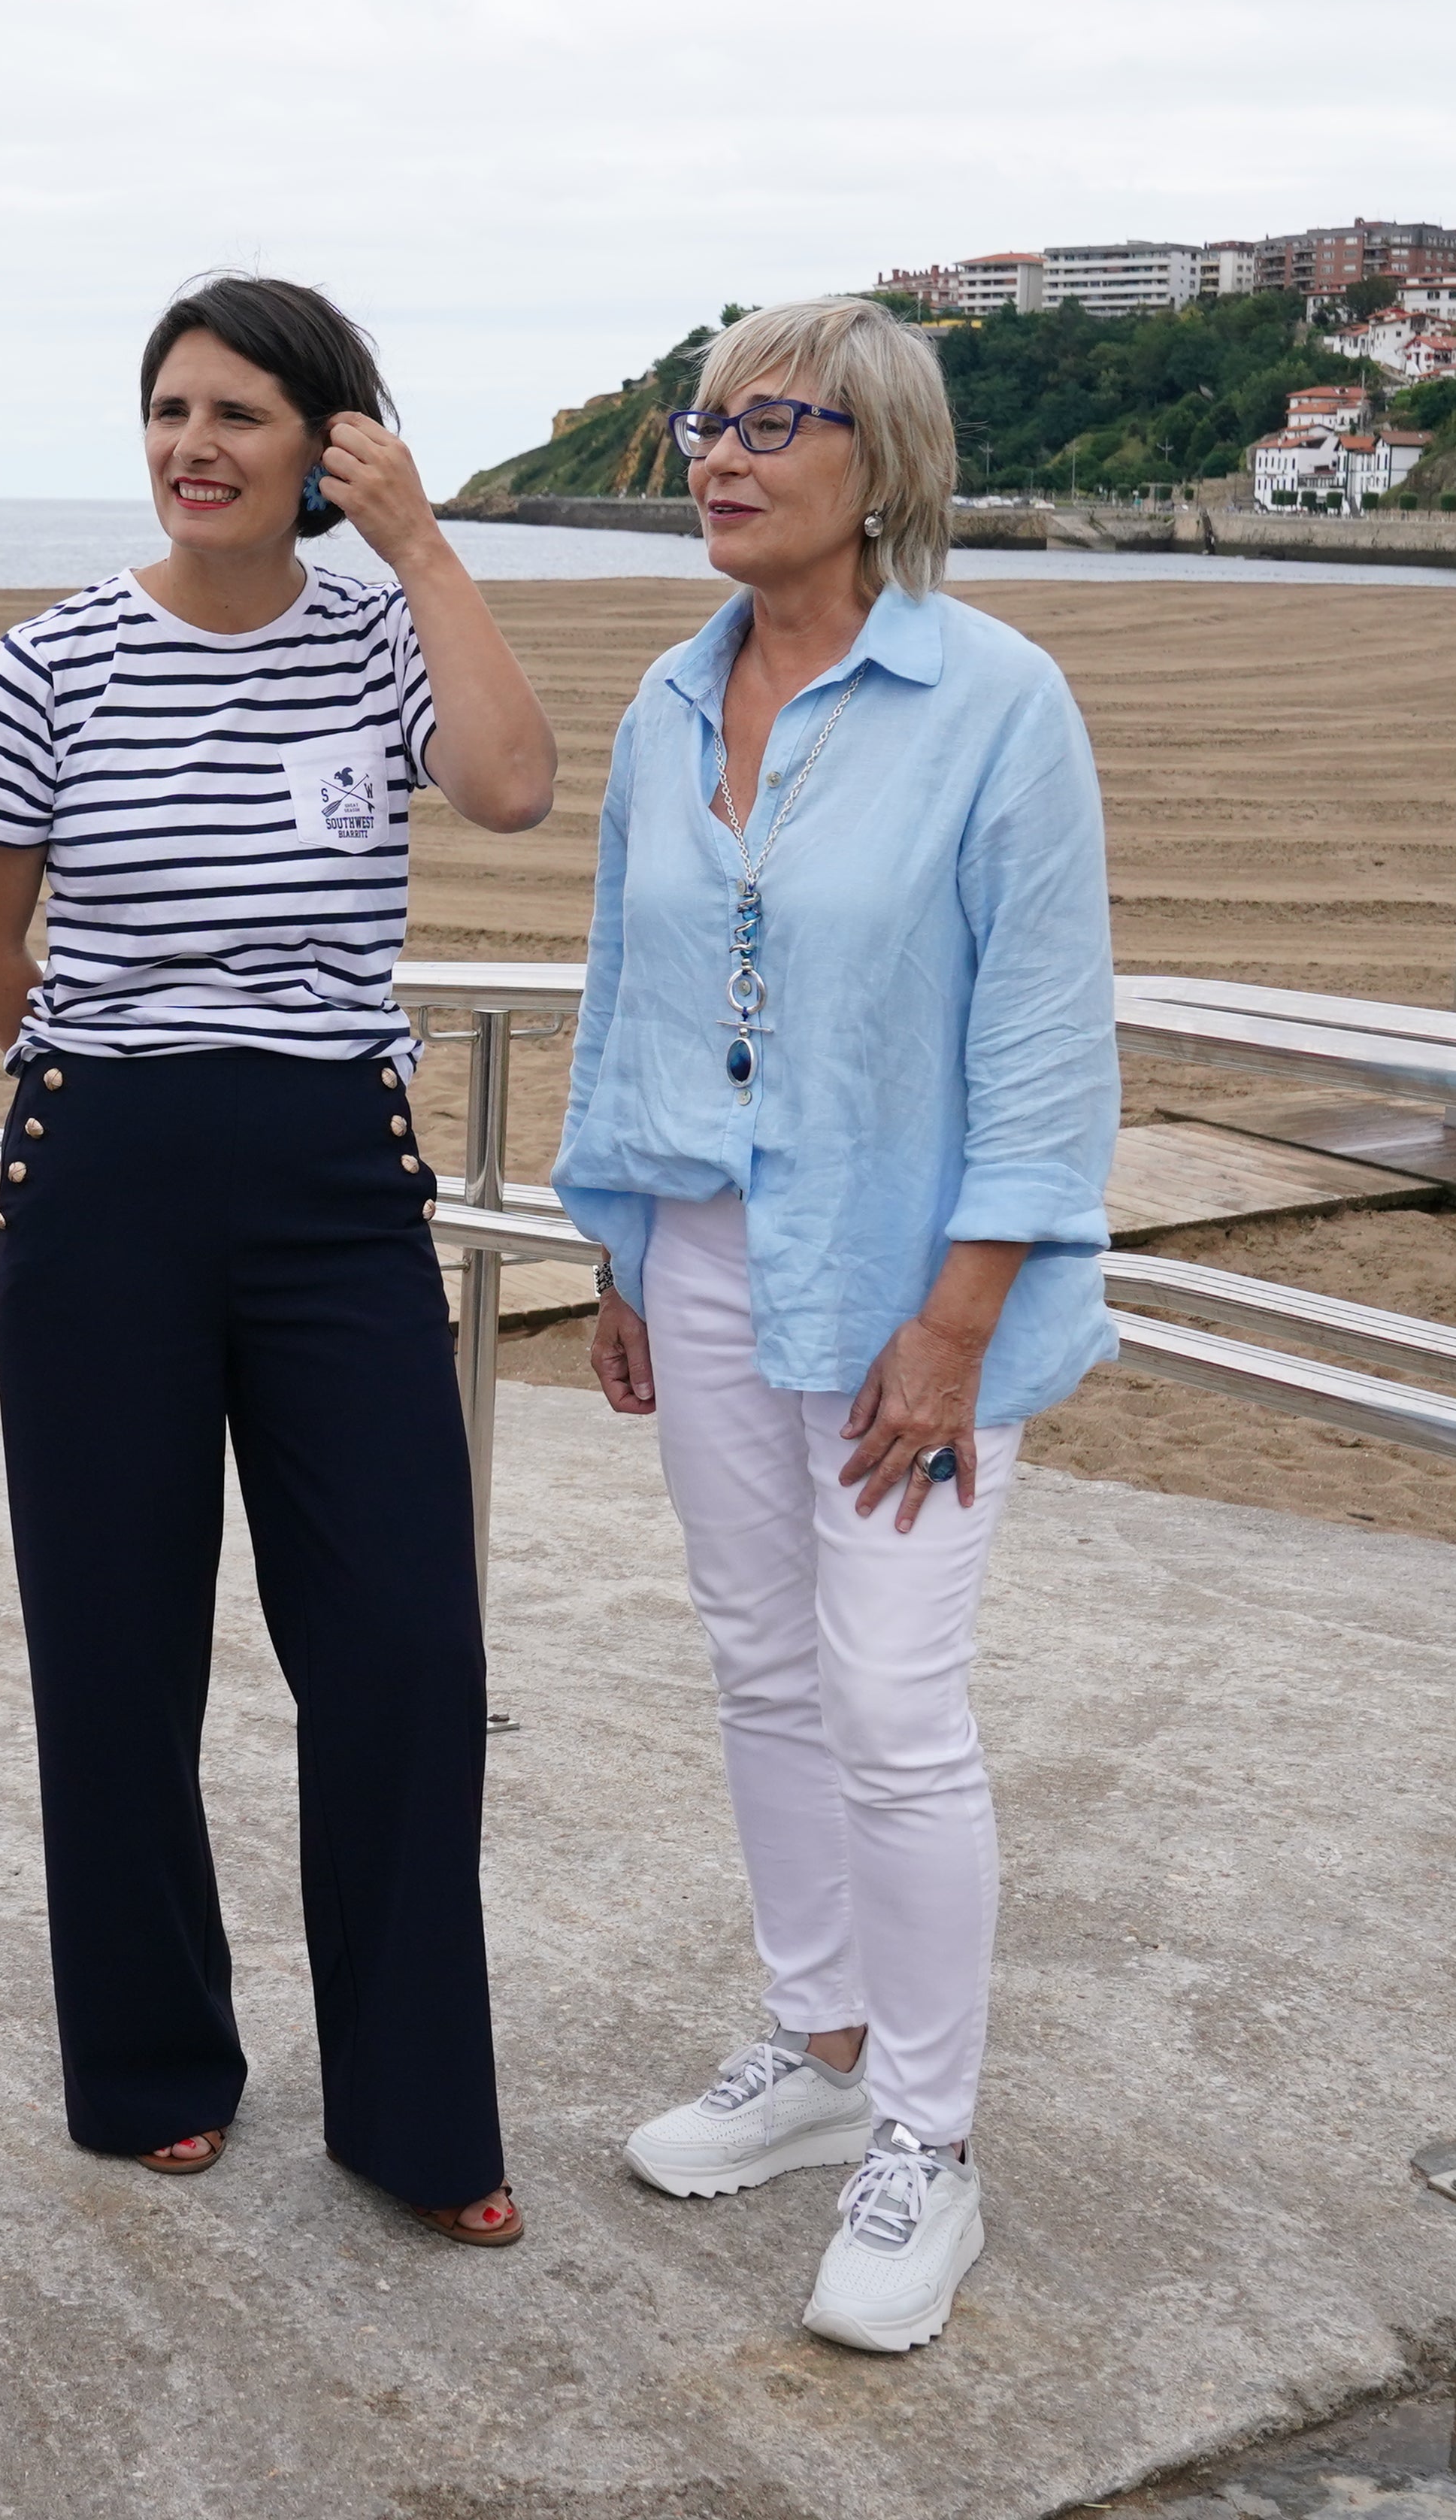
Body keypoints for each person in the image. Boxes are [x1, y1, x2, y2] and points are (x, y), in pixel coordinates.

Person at [0, 274, 558, 2246]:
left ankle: (416, 2115)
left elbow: (517, 786)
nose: (195, 446)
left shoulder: (384, 643)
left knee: (401, 1653)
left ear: (324, 447)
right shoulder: (50, 664)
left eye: (240, 417)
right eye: (169, 409)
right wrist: (97, 1097)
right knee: (115, 1652)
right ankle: (149, 2070)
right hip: (105, 1172)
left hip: (333, 1189)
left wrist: (427, 547)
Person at [548, 296, 1115, 2353]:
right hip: (701, 1253)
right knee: (763, 1669)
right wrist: (616, 1251)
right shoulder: (666, 703)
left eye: (768, 423)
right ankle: (821, 2042)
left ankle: (930, 2145)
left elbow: (1049, 1051)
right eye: (703, 423)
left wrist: (963, 1322)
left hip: (908, 1288)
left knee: (893, 1700)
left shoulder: (999, 702)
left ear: (880, 462)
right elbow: (627, 987)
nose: (716, 455)